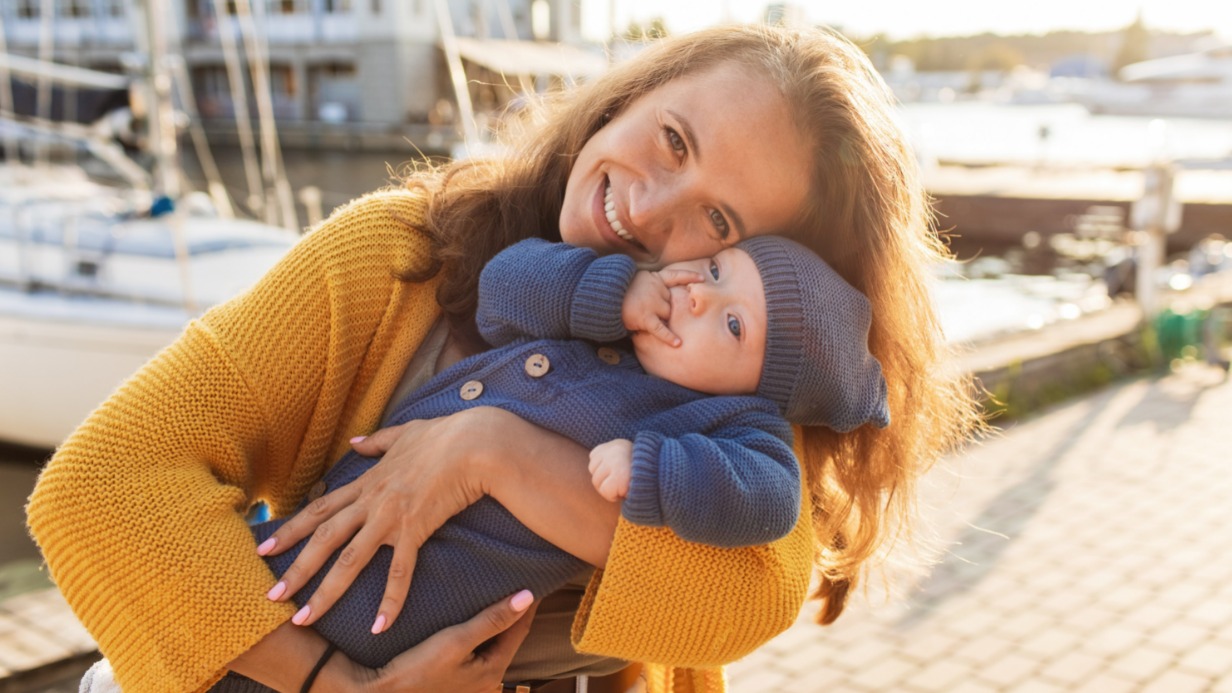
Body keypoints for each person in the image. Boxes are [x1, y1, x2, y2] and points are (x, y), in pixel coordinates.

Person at [27, 24, 981, 693]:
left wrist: (494, 451)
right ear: (629, 96)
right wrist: (339, 686)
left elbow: (749, 589)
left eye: (720, 223)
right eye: (672, 140)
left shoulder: (712, 371)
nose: (650, 212)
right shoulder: (396, 253)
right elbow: (103, 483)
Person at [210, 234, 888, 690]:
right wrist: (608, 291)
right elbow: (502, 286)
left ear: (761, 392)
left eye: (733, 325)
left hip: (408, 604)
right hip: (322, 533)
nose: (698, 295)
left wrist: (651, 468)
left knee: (279, 632)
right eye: (715, 269)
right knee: (238, 598)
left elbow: (767, 498)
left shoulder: (730, 419)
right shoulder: (604, 313)